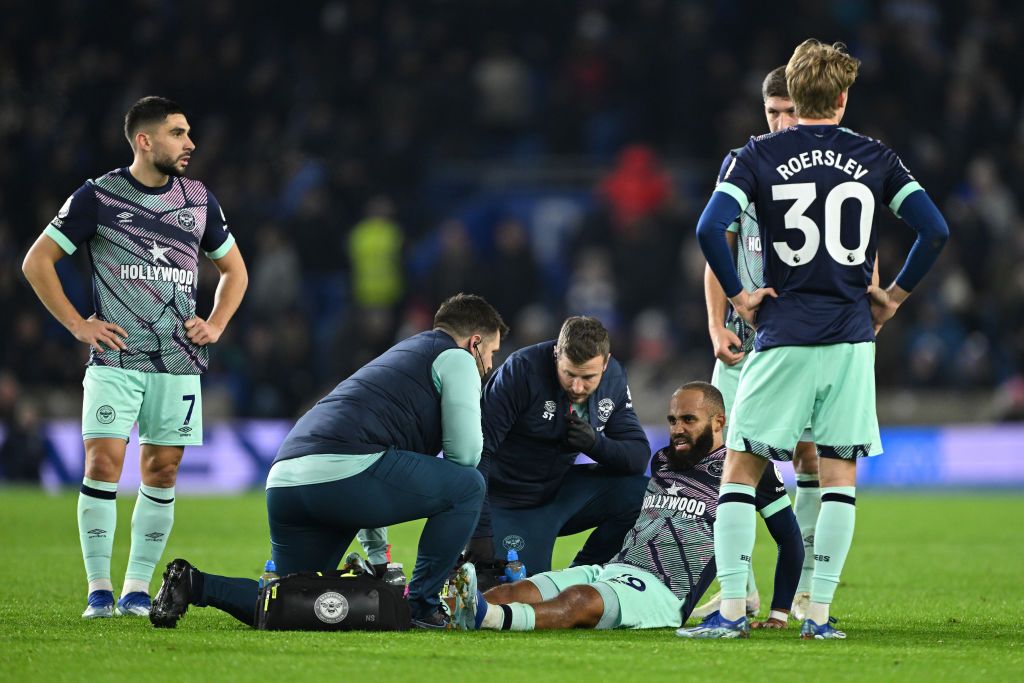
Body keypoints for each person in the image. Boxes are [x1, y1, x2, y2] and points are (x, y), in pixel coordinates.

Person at [679, 40, 948, 640]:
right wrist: (894, 298)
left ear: (793, 99)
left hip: (784, 335)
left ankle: (729, 613)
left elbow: (708, 227)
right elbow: (934, 229)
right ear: (844, 98)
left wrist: (741, 295)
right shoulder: (877, 158)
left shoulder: (757, 156)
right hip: (853, 341)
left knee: (740, 472)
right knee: (838, 479)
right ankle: (817, 616)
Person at [149, 293, 508, 629]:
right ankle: (423, 605)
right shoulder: (457, 358)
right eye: (491, 351)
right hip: (344, 473)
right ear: (474, 341)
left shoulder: (401, 358)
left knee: (290, 599)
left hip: (287, 479)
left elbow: (378, 450)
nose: (490, 364)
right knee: (468, 486)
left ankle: (194, 583)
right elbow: (465, 455)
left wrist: (379, 556)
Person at [21, 96, 248, 619]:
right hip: (117, 360)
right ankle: (99, 591)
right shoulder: (99, 196)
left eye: (189, 132)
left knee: (162, 471)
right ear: (144, 141)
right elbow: (38, 261)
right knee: (103, 463)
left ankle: (136, 590)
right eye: (177, 133)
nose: (190, 143)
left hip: (179, 362)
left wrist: (214, 325)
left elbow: (236, 271)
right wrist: (79, 324)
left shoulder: (199, 200)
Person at [699, 65, 883, 622]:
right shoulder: (745, 161)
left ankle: (801, 590)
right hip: (747, 336)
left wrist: (870, 295)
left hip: (796, 337)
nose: (782, 121)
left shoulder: (811, 167)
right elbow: (719, 248)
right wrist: (716, 321)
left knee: (807, 454)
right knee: (725, 456)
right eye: (773, 113)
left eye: (789, 112)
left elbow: (861, 247)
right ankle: (748, 591)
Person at [450, 382, 802, 631]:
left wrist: (780, 613)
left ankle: (490, 619)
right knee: (523, 588)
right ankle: (449, 611)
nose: (677, 429)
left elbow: (788, 538)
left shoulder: (748, 469)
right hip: (615, 567)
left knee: (580, 600)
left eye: (688, 421)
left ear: (718, 422)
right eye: (672, 420)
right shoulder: (662, 460)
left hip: (664, 589)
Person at [468, 316, 650, 577]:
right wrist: (480, 529)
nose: (577, 387)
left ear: (606, 363)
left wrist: (594, 444)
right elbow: (478, 454)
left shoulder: (614, 378)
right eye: (569, 374)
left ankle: (582, 576)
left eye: (588, 377)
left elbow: (637, 457)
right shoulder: (521, 372)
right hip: (506, 500)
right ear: (556, 355)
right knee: (523, 600)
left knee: (643, 495)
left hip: (558, 493)